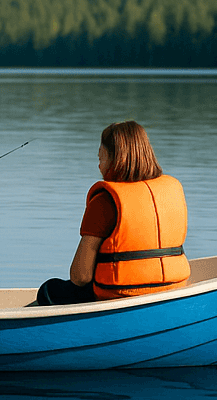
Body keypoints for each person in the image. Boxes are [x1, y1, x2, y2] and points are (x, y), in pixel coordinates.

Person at [37, 120, 190, 305]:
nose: (99, 166)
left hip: (119, 294)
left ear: (116, 159)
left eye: (101, 158)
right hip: (175, 285)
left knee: (49, 290)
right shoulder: (171, 189)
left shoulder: (105, 201)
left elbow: (80, 276)